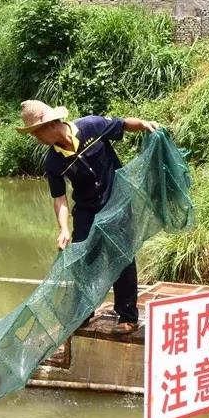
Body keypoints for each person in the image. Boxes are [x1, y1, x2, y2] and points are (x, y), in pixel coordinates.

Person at [17, 99, 160, 335]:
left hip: (116, 201)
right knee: (84, 261)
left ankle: (127, 315)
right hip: (86, 209)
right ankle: (84, 312)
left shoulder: (91, 126)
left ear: (48, 127)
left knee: (122, 256)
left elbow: (123, 125)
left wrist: (144, 124)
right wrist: (63, 228)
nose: (36, 139)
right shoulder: (53, 161)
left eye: (35, 133)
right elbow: (60, 198)